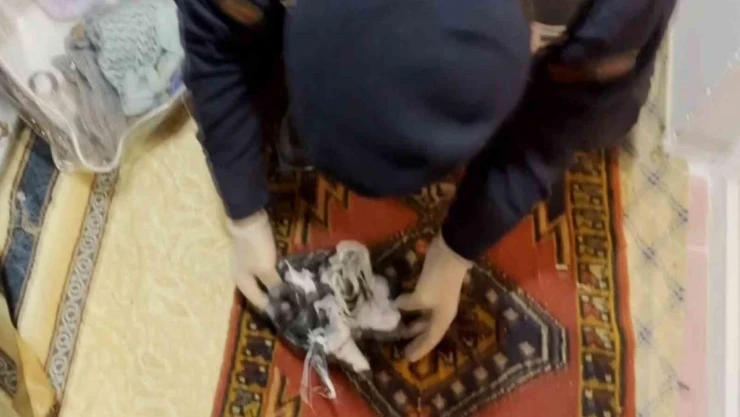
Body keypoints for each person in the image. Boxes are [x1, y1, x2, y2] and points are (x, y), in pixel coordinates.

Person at [176, 0, 676, 362]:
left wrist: (457, 250)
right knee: (244, 79)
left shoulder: (614, 18)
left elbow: (555, 128)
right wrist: (243, 210)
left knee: (606, 121)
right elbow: (212, 44)